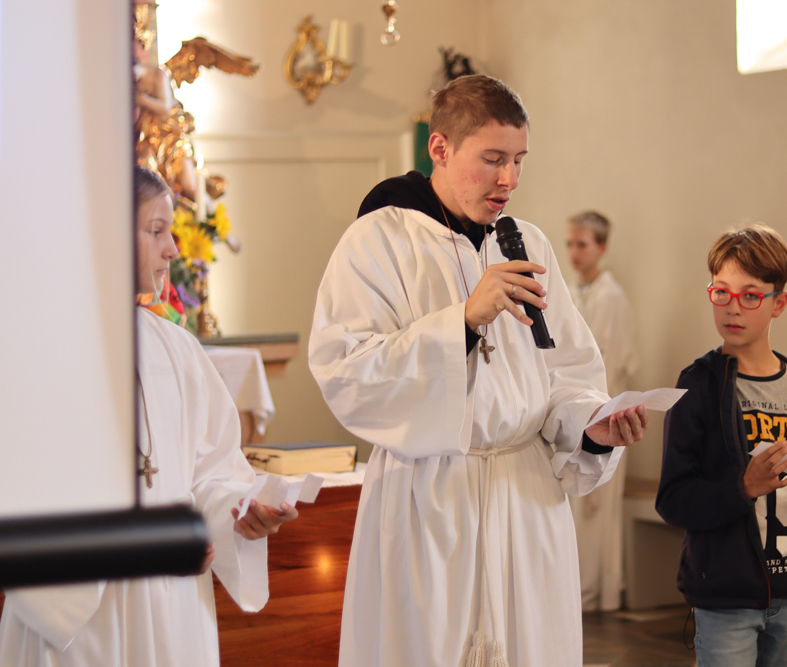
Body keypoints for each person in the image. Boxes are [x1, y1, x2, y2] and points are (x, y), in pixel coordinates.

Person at [309, 74, 648, 667]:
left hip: (527, 501)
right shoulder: (378, 241)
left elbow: (567, 373)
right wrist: (462, 322)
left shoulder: (528, 243)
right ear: (440, 148)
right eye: (493, 159)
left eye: (519, 160)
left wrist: (591, 425)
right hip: (429, 500)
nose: (509, 179)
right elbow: (347, 372)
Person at [0, 166, 296, 667]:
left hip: (172, 606)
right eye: (156, 231)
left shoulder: (179, 349)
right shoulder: (37, 348)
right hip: (82, 615)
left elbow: (212, 473)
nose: (173, 250)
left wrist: (238, 515)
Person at [655, 224, 787, 667]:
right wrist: (742, 487)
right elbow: (672, 500)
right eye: (721, 292)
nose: (733, 307)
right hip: (726, 596)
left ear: (778, 303)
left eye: (750, 295)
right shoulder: (698, 387)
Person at [564, 210, 638, 612]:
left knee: (596, 508)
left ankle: (593, 594)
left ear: (602, 248)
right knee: (575, 509)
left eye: (582, 244)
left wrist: (596, 413)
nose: (574, 252)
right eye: (569, 244)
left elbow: (611, 361)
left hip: (603, 414)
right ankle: (575, 590)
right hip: (574, 411)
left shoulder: (610, 297)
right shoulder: (571, 292)